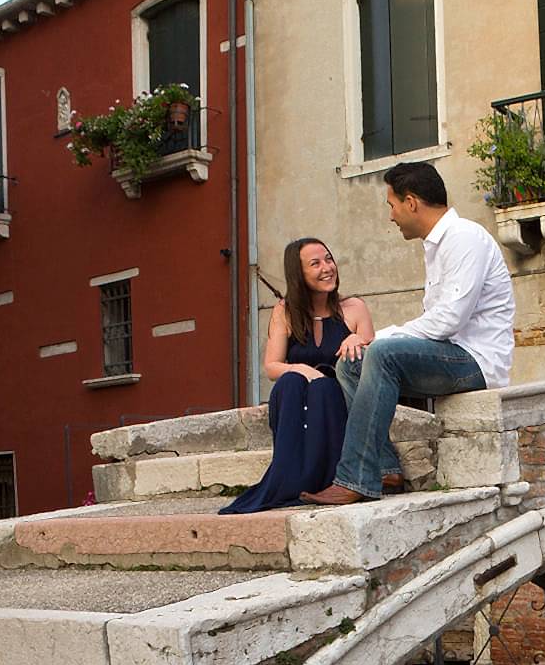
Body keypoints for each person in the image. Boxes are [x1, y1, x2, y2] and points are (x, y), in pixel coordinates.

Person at [300, 162, 514, 505]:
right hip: (449, 354)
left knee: (380, 352)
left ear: (411, 202)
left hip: (476, 361)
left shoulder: (464, 238)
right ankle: (385, 468)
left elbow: (447, 321)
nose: (391, 216)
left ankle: (354, 476)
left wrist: (377, 338)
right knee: (352, 363)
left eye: (392, 205)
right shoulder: (438, 245)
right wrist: (371, 345)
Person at [220, 238, 374, 514]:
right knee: (290, 381)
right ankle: (288, 479)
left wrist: (358, 340)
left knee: (324, 389)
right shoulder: (285, 311)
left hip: (336, 401)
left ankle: (322, 476)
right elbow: (272, 367)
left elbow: (372, 364)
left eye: (328, 259)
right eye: (315, 263)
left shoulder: (354, 308)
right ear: (298, 273)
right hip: (298, 394)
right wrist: (301, 369)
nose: (327, 268)